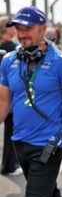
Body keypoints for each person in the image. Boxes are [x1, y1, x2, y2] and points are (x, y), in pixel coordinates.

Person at [0, 6, 62, 197]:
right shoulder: (9, 60)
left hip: (49, 144)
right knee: (50, 194)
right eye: (19, 29)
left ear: (43, 29)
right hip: (19, 141)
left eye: (28, 29)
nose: (22, 34)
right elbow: (4, 100)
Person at [0, 16, 23, 176]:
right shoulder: (8, 46)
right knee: (11, 129)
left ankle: (10, 163)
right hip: (7, 92)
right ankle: (9, 165)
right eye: (11, 24)